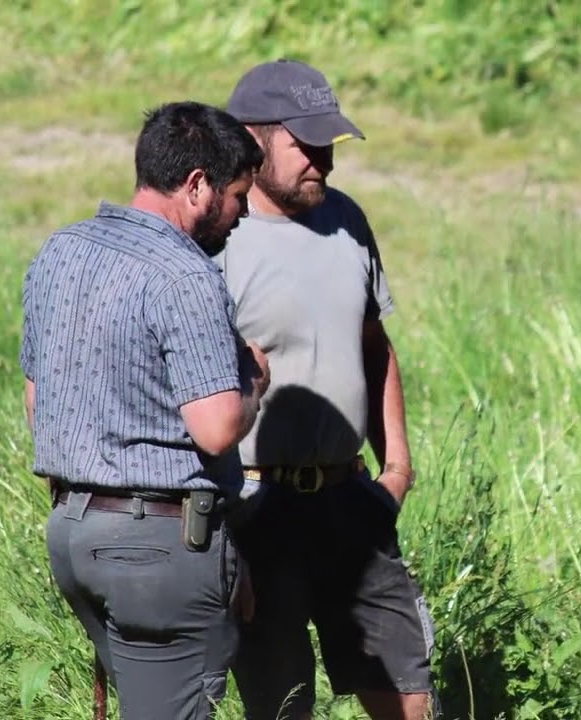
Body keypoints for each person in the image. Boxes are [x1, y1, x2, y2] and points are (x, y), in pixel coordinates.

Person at [20, 101, 271, 719]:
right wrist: (255, 384)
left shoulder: (61, 252)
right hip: (158, 549)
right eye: (238, 196)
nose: (242, 214)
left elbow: (37, 402)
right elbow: (215, 428)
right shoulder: (185, 275)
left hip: (75, 535)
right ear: (196, 186)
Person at [212, 59, 436, 720]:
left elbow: (374, 343)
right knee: (282, 704)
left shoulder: (347, 220)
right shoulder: (218, 238)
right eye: (307, 147)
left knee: (409, 693)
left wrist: (397, 466)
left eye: (330, 147)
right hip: (259, 509)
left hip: (353, 502)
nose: (324, 163)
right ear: (253, 140)